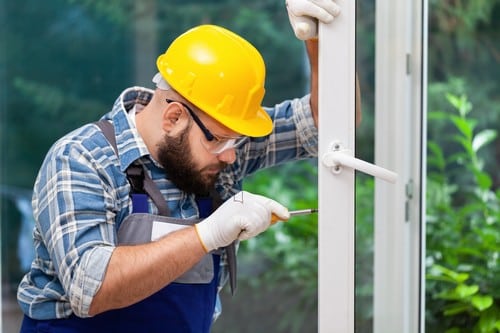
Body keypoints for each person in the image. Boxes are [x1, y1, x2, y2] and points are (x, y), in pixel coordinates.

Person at [17, 1, 344, 332]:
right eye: (219, 141)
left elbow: (327, 125)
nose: (231, 155)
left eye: (236, 141)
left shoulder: (219, 144)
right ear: (174, 118)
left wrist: (319, 37)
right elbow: (92, 288)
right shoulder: (81, 159)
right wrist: (207, 233)